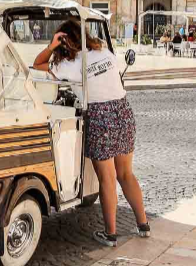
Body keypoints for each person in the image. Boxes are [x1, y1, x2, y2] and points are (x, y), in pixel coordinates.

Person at [32, 21, 149, 246]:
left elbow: (38, 64)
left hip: (99, 115)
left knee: (107, 178)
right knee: (126, 174)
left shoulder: (68, 66)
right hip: (123, 111)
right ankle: (143, 224)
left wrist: (51, 45)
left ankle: (111, 234)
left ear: (64, 41)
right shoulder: (104, 52)